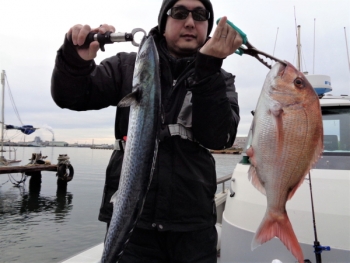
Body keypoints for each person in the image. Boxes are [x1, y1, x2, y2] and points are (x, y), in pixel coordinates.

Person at [51, 0, 242, 262]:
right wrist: (74, 62)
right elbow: (70, 97)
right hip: (133, 226)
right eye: (179, 13)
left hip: (193, 227)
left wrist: (208, 69)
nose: (189, 22)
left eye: (199, 15)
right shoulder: (126, 66)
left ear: (208, 26)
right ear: (164, 22)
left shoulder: (220, 78)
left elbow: (220, 137)